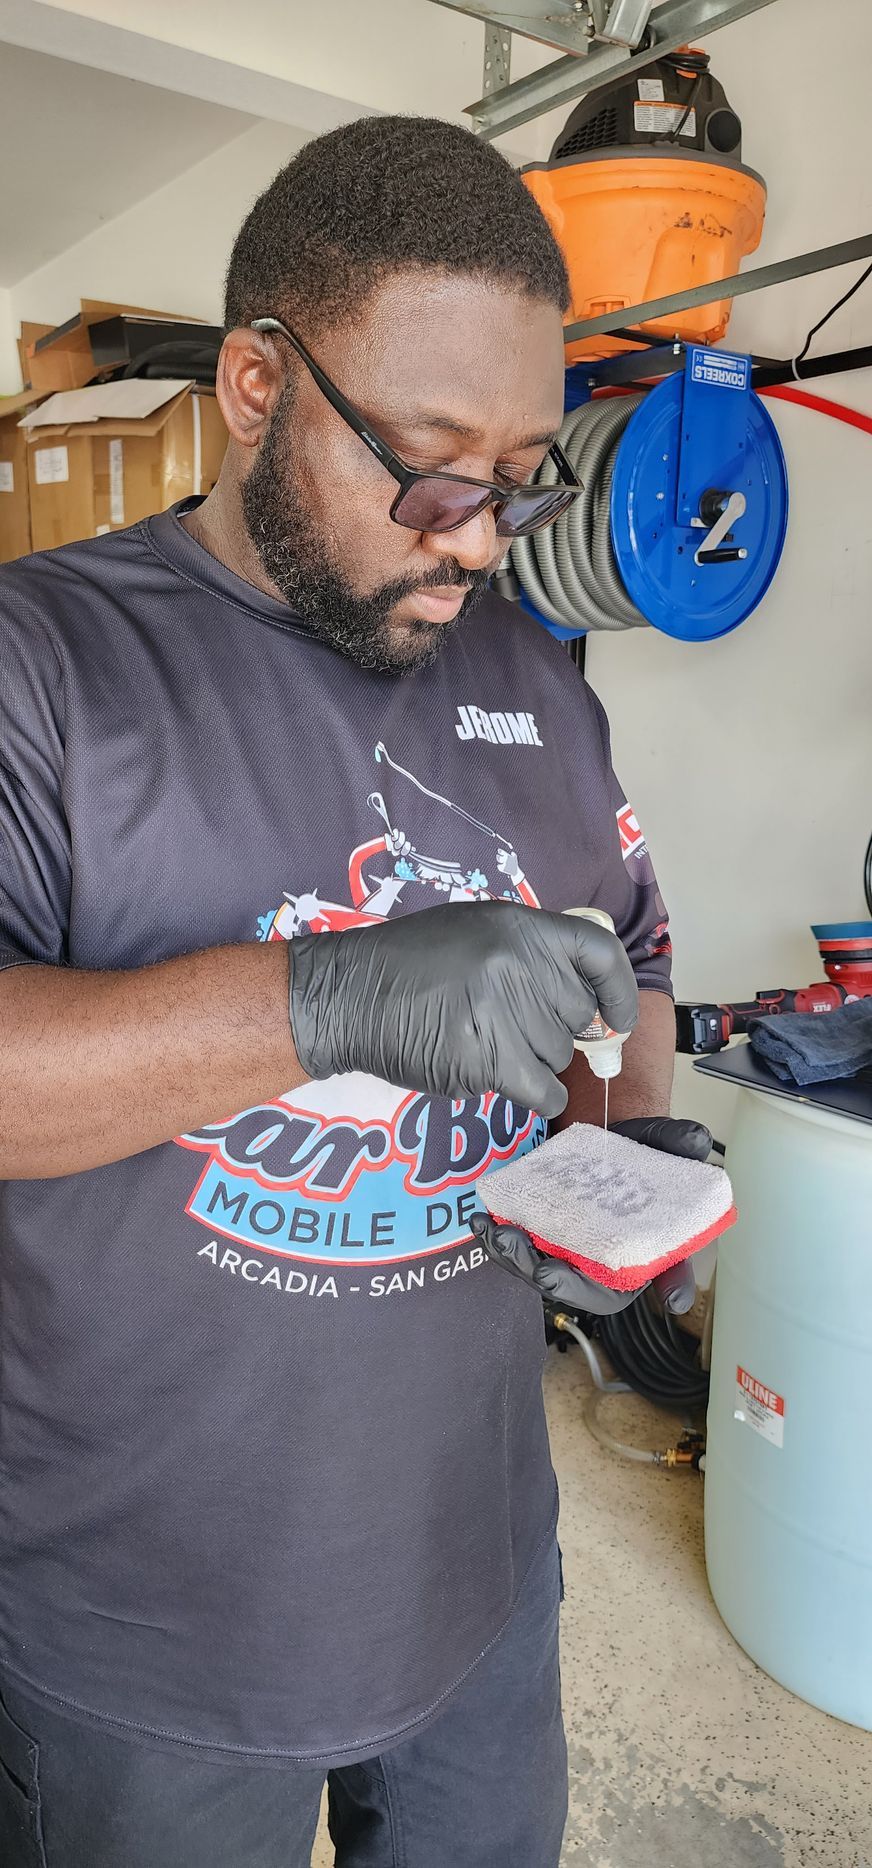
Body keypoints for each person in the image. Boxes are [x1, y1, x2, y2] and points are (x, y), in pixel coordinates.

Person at [0, 116, 709, 1868]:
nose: (477, 538)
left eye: (524, 474)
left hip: (480, 1584)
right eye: (430, 465)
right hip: (137, 1640)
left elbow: (635, 972)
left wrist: (635, 1146)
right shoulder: (44, 664)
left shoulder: (540, 687)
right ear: (257, 382)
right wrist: (325, 1005)